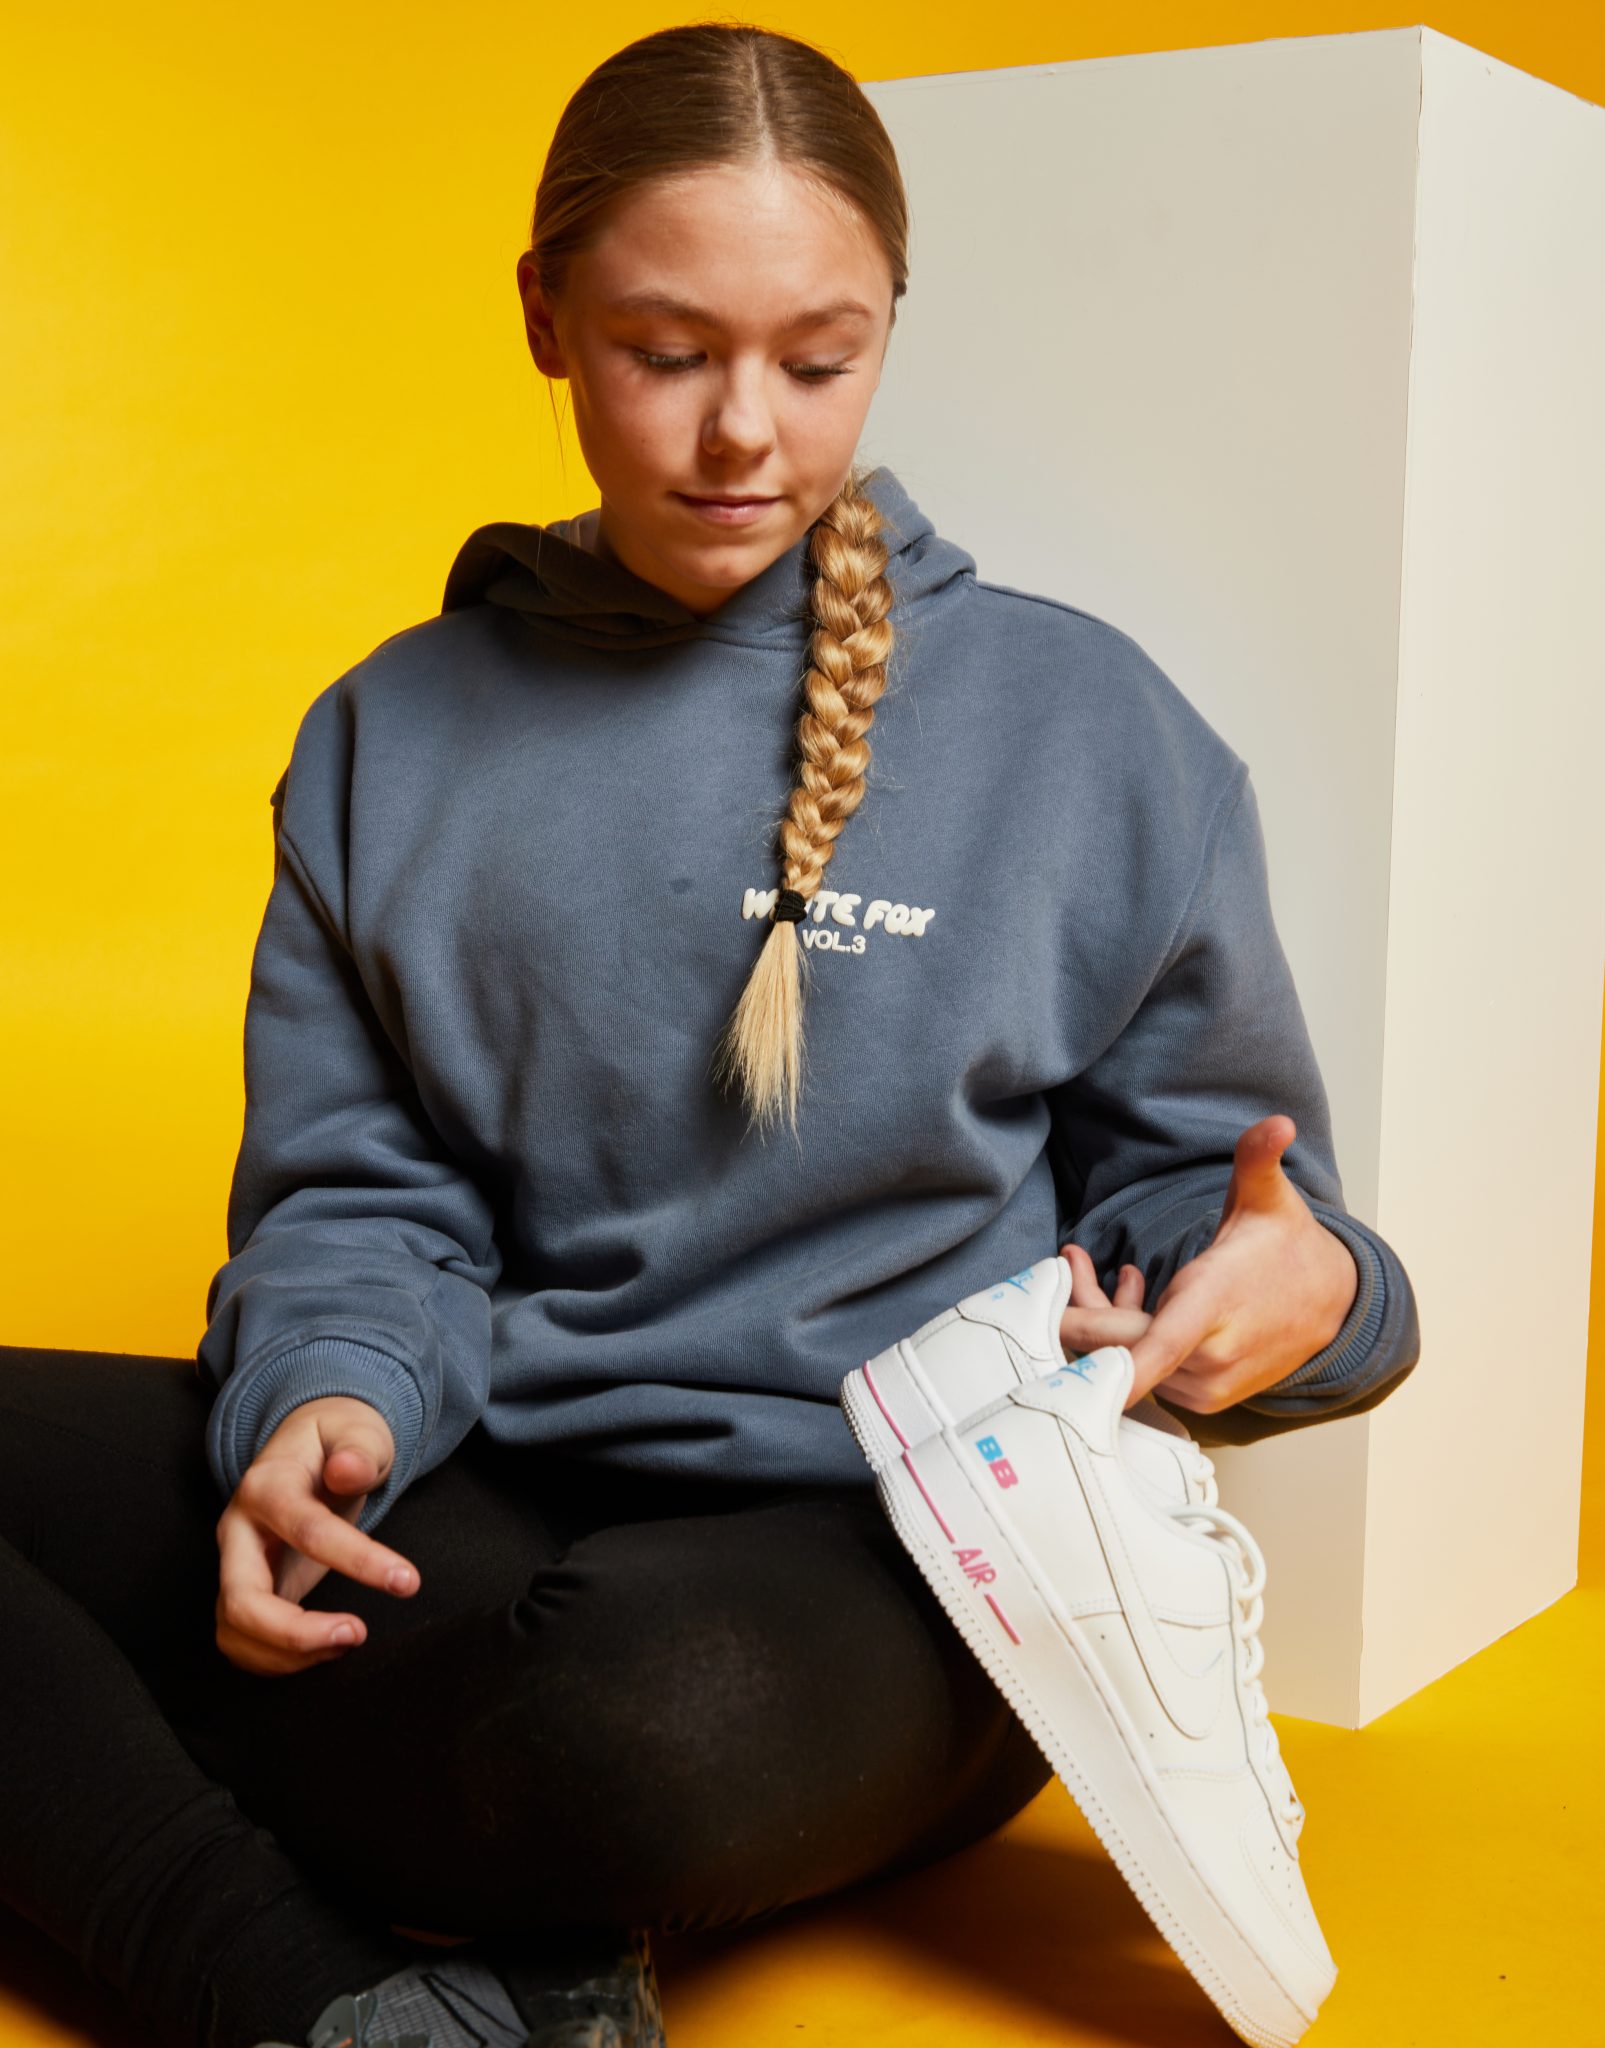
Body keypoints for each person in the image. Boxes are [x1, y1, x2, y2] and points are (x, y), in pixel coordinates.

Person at [0, 21, 1421, 2048]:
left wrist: (1312, 1288)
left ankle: (296, 1824)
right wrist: (327, 1402)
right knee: (502, 1695)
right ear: (544, 320)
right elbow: (361, 1197)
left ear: (886, 327)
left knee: (619, 1732)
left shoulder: (1089, 732)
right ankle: (315, 1995)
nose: (742, 431)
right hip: (484, 1494)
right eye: (666, 352)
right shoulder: (389, 733)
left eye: (817, 359)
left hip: (882, 1565)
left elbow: (1239, 1219)